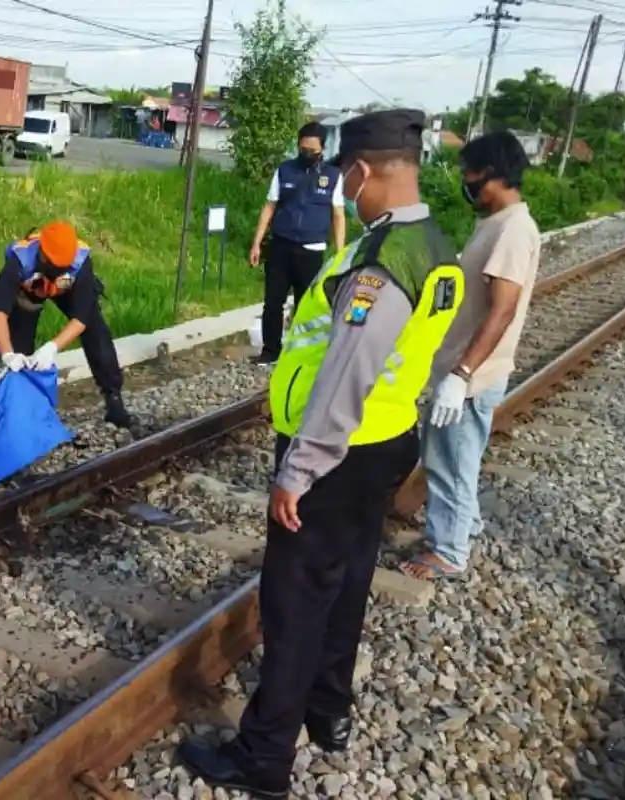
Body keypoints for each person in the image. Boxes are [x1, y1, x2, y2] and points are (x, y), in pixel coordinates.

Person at [177, 109, 465, 799]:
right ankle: (328, 714)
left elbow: (346, 373)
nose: (345, 192)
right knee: (347, 583)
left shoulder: (381, 263)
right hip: (390, 443)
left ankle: (265, 757)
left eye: (347, 180)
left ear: (363, 170)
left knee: (295, 603)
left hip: (338, 454)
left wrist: (298, 469)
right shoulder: (435, 243)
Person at [400, 131, 541, 581]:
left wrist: (461, 374)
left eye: (471, 177)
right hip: (464, 368)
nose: (466, 185)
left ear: (496, 176)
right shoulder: (498, 223)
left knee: (449, 464)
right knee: (456, 458)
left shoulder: (514, 231)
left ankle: (449, 551)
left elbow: (503, 310)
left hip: (472, 374)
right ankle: (466, 525)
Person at [0, 220, 133, 428]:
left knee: (97, 332)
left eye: (63, 267)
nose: (58, 269)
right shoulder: (20, 261)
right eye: (55, 266)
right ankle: (21, 410)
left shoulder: (81, 262)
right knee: (20, 344)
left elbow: (81, 318)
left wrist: (52, 347)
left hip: (66, 289)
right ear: (43, 254)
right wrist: (7, 355)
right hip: (30, 290)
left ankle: (113, 397)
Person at [247, 121, 347, 365]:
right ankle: (271, 351)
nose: (307, 155)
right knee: (273, 301)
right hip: (281, 246)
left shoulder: (333, 176)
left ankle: (298, 354)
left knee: (305, 306)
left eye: (312, 151)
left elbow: (338, 215)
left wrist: (340, 253)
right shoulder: (285, 170)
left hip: (312, 251)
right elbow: (270, 206)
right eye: (303, 149)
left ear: (322, 149)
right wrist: (256, 243)